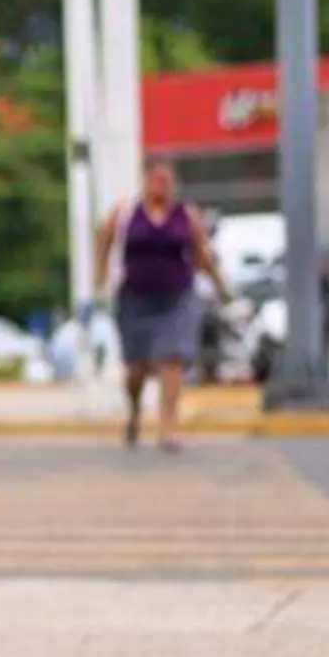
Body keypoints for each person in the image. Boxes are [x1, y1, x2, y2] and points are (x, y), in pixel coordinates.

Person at [95, 159, 231, 453]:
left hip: (177, 297)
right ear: (145, 181)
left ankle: (168, 427)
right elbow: (103, 240)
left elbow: (202, 252)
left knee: (172, 359)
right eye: (156, 180)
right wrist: (100, 276)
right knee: (136, 368)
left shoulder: (186, 215)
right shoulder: (125, 213)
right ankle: (134, 412)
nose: (161, 186)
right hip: (134, 298)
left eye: (166, 181)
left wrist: (220, 286)